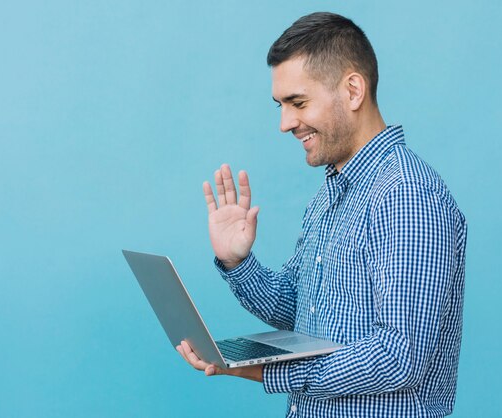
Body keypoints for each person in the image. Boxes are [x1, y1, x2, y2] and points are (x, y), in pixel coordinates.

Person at [175, 11, 467, 418]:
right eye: (280, 105)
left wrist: (268, 374)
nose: (284, 123)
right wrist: (237, 262)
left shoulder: (406, 196)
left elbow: (399, 358)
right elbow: (301, 311)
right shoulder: (331, 196)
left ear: (352, 91)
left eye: (298, 102)